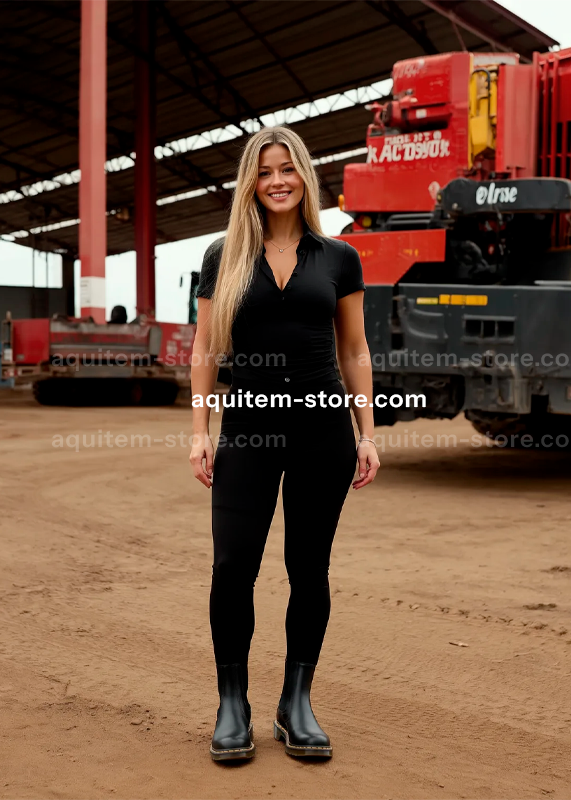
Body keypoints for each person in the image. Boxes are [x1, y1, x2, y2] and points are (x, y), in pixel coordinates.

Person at [189, 125, 380, 762]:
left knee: (309, 569)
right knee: (232, 567)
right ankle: (232, 703)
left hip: (323, 430)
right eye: (265, 170)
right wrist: (200, 432)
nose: (277, 180)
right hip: (249, 427)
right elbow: (206, 351)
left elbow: (353, 349)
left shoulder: (339, 258)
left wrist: (367, 432)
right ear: (252, 181)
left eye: (288, 168)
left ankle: (297, 703)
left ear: (304, 177)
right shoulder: (224, 256)